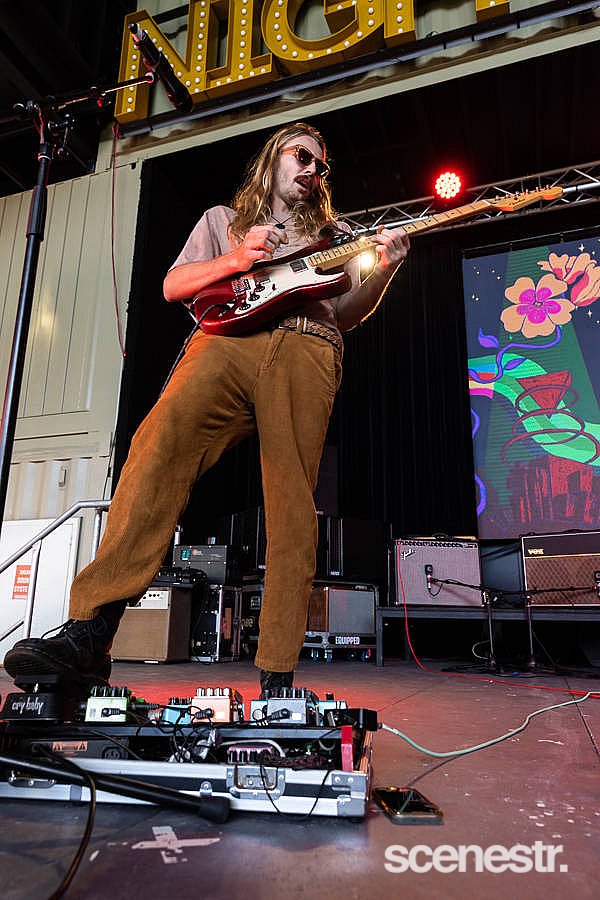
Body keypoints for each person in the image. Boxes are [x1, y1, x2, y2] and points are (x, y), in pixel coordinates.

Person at [4, 122, 410, 696]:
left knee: (291, 500)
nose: (312, 169)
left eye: (321, 165)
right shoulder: (224, 220)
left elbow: (344, 313)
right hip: (225, 343)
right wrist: (237, 257)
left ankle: (277, 675)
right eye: (301, 156)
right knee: (157, 448)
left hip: (308, 345)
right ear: (273, 160)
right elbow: (174, 286)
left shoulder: (337, 236)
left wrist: (385, 268)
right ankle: (91, 634)